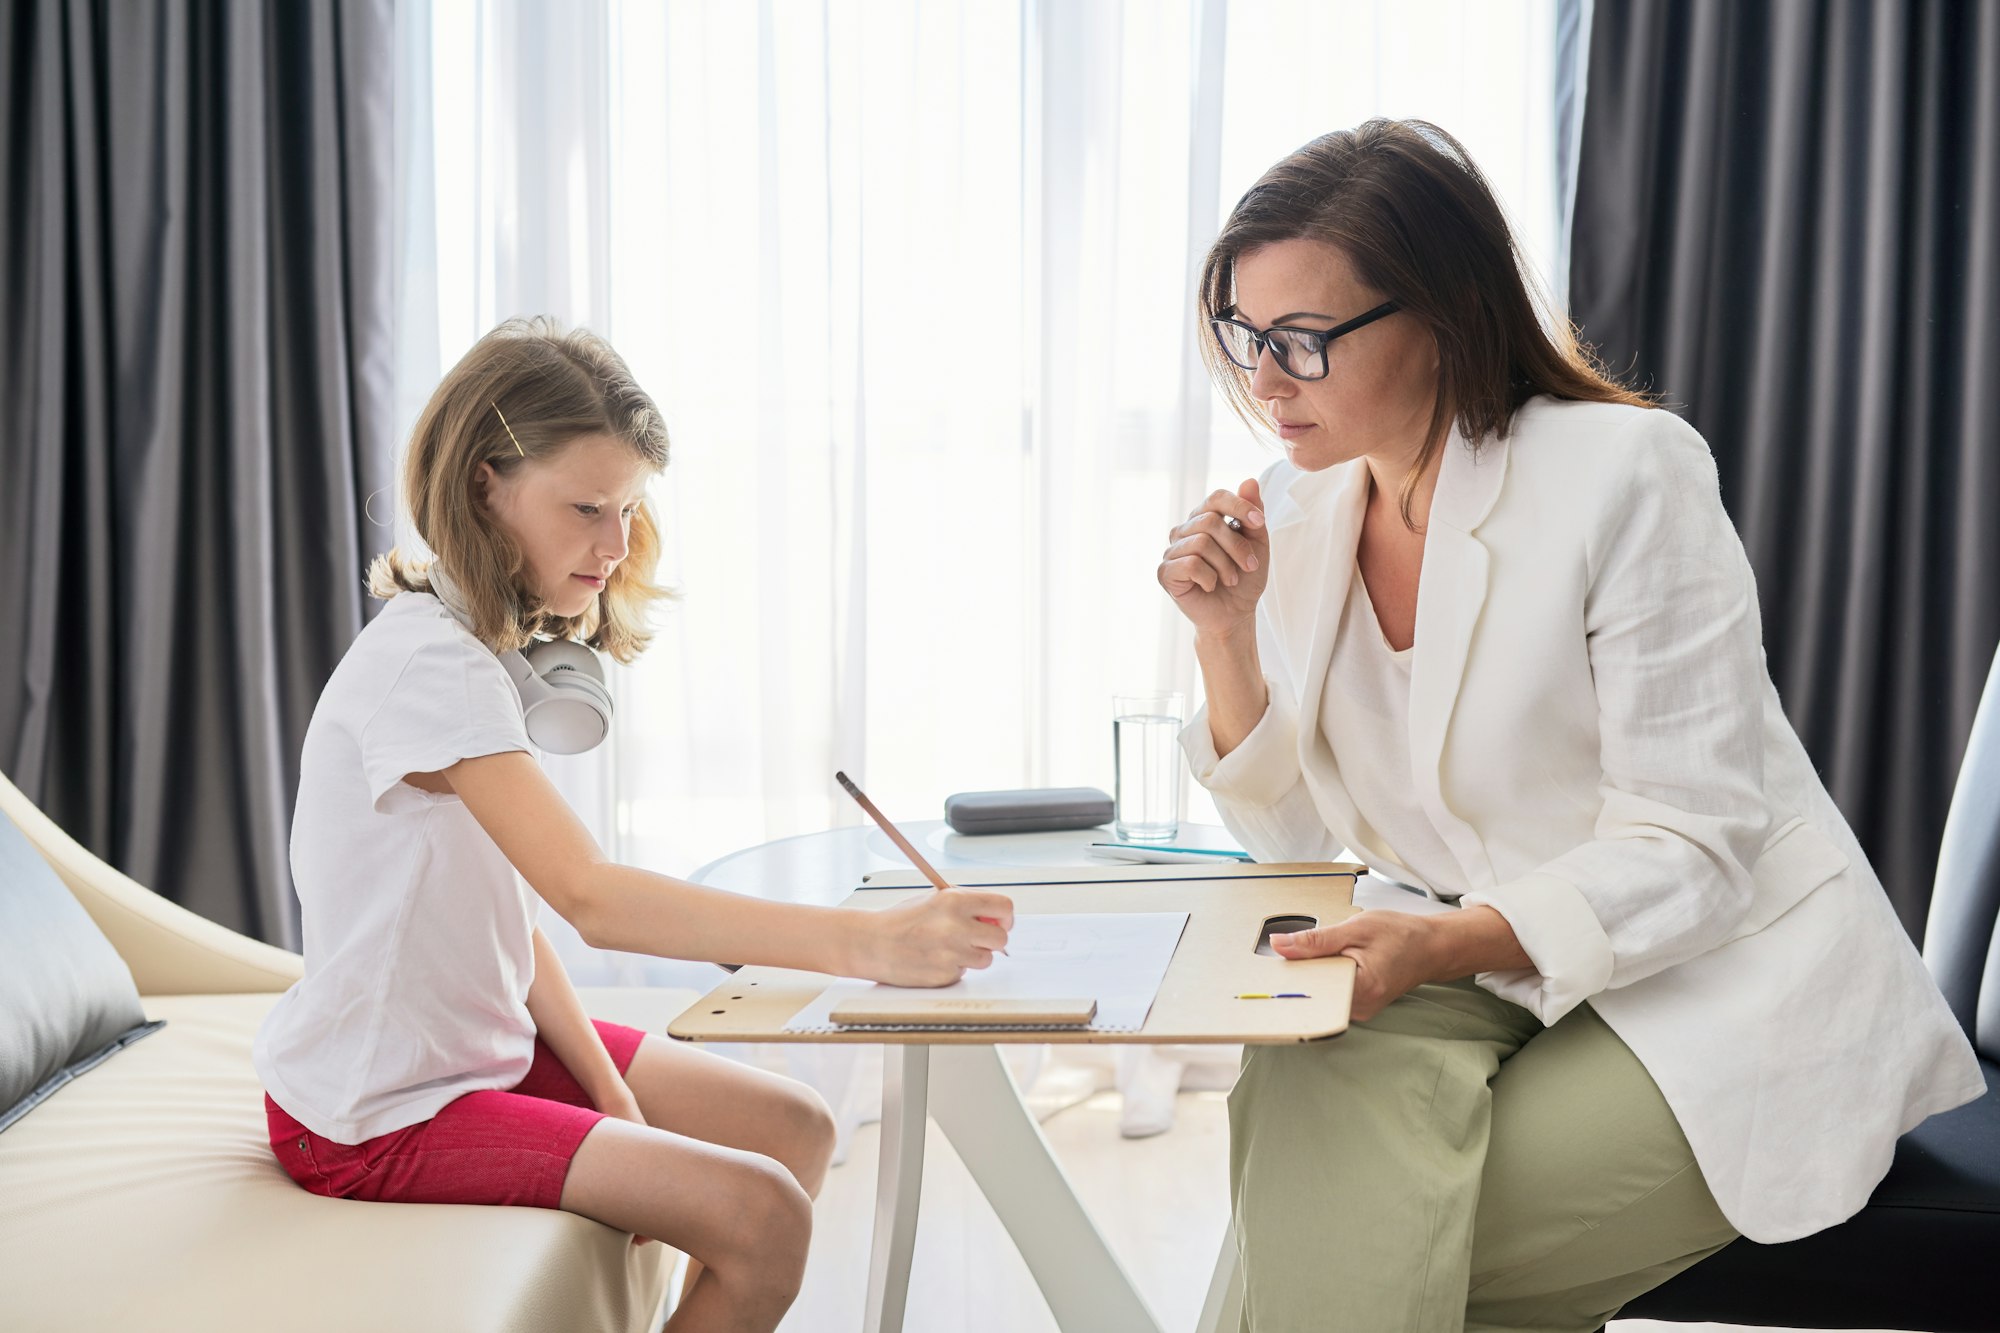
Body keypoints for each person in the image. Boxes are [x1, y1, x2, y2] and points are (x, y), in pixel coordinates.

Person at [1156, 119, 1983, 1333]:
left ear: (1437, 318)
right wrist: (1223, 636)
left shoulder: (1623, 473)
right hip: (1473, 953)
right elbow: (1301, 842)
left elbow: (1692, 845)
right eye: (1242, 332)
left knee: (1369, 1254)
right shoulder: (1302, 509)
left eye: (1302, 340)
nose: (1264, 379)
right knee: (1308, 1103)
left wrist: (1435, 949)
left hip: (1721, 976)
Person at [253, 318, 1012, 1333]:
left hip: (478, 1047)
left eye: (629, 508)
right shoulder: (431, 667)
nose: (613, 546)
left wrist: (609, 1088)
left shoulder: (477, 649)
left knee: (792, 1125)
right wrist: (863, 943)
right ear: (487, 485)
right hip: (375, 1107)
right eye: (586, 508)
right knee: (764, 1215)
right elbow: (591, 899)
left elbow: (510, 922)